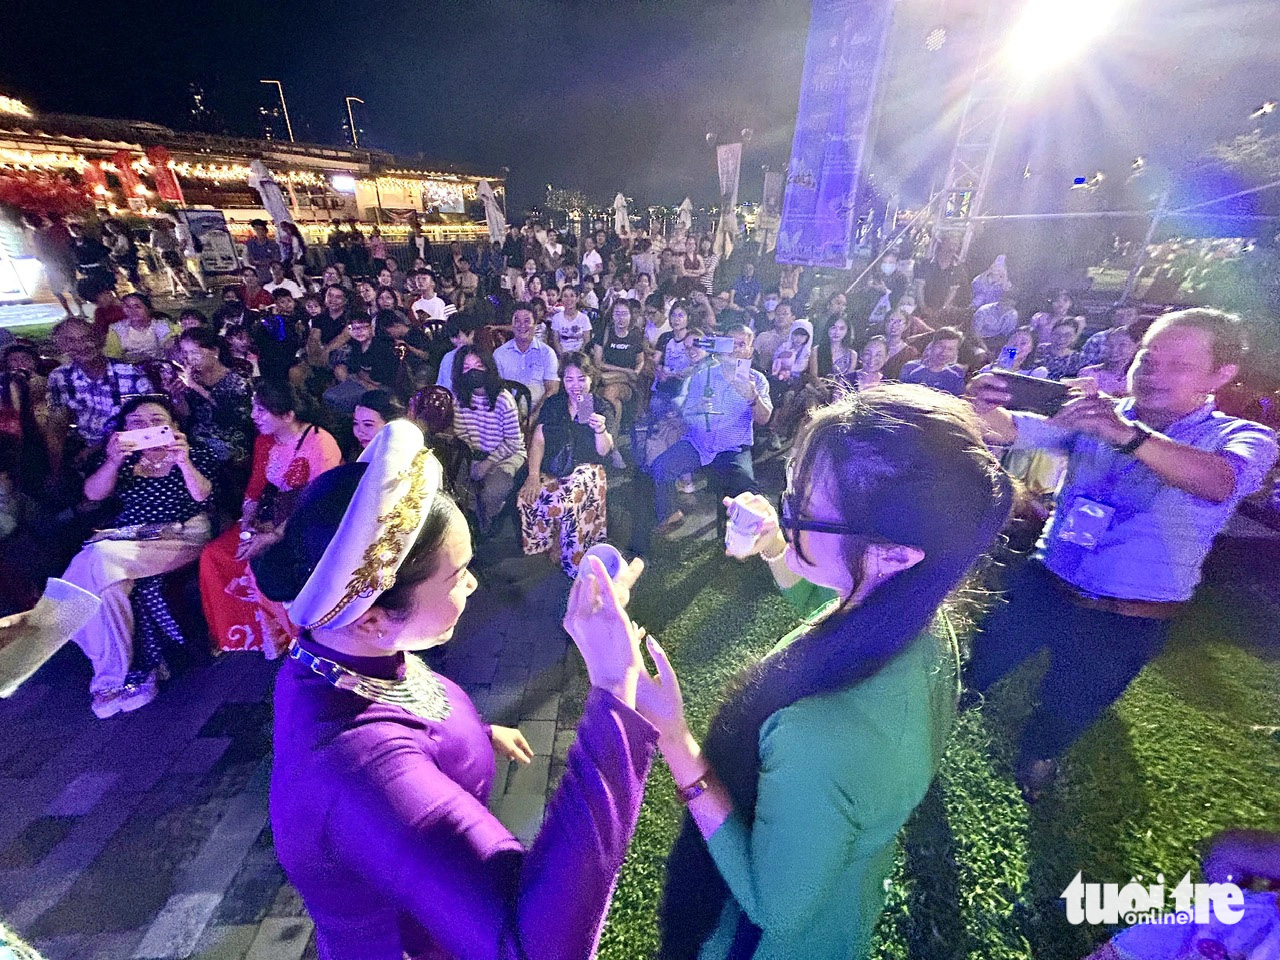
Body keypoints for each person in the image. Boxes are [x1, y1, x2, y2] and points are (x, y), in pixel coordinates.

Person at [618, 385, 1014, 960]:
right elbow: (832, 613)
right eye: (791, 491)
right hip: (845, 908)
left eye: (803, 508)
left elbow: (773, 907)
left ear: (896, 553)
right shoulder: (919, 624)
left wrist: (676, 742)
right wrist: (782, 547)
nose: (785, 512)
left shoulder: (819, 737)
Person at [248, 418, 658, 959]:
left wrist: (472, 735)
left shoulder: (332, 657)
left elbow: (401, 714)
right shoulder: (359, 772)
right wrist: (612, 686)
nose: (474, 584)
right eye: (458, 574)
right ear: (372, 619)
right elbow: (530, 945)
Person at [966, 308, 1279, 800]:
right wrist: (981, 409)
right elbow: (1013, 428)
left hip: (1128, 615)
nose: (1153, 371)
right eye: (1150, 358)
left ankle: (1038, 760)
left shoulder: (1240, 436)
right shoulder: (1099, 414)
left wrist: (1129, 437)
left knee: (1071, 703)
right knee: (977, 665)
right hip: (1045, 581)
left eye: (1179, 364)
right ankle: (925, 735)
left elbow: (1221, 481)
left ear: (1221, 376)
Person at [0, 396, 215, 716]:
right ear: (123, 430)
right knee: (109, 588)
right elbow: (92, 494)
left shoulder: (194, 453)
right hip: (126, 542)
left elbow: (201, 495)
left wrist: (183, 461)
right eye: (136, 423)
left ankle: (32, 639)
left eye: (157, 419)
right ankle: (112, 681)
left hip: (180, 537)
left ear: (174, 425)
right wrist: (113, 461)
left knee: (97, 558)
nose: (147, 428)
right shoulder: (124, 460)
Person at [199, 380, 341, 659]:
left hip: (309, 520)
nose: (253, 416)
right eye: (254, 408)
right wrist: (248, 523)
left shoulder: (319, 441)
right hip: (271, 515)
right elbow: (255, 487)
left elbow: (317, 500)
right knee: (214, 555)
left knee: (259, 561)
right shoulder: (265, 440)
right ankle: (237, 635)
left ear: (287, 415)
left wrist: (275, 535)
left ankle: (297, 637)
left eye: (262, 410)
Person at [649, 324, 772, 537]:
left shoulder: (756, 380)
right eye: (730, 343)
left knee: (745, 490)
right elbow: (687, 412)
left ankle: (742, 535)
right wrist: (698, 409)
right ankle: (670, 514)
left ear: (750, 350)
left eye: (742, 344)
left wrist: (752, 397)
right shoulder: (703, 376)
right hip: (699, 443)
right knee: (661, 467)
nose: (735, 349)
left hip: (732, 446)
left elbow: (764, 418)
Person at [517, 352, 616, 577]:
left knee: (568, 499)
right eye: (569, 380)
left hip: (589, 468)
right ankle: (544, 543)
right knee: (527, 495)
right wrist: (533, 474)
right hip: (557, 464)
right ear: (563, 381)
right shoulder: (555, 403)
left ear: (591, 378)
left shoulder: (600, 406)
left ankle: (569, 551)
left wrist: (600, 429)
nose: (576, 386)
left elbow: (604, 450)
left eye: (582, 379)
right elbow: (539, 439)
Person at [46, 317, 154, 462]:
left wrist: (97, 448)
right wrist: (55, 473)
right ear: (62, 347)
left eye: (87, 338)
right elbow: (56, 425)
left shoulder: (130, 374)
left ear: (100, 340)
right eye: (71, 341)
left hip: (129, 447)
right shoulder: (59, 377)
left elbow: (150, 422)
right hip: (82, 446)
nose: (81, 346)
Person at [451, 346, 527, 533]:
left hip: (508, 454)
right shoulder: (460, 398)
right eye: (467, 367)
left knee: (491, 492)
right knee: (458, 487)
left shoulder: (503, 400)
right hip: (476, 453)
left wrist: (487, 463)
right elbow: (462, 435)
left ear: (488, 368)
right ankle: (474, 524)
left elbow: (513, 442)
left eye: (478, 365)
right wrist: (475, 461)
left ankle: (490, 522)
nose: (473, 371)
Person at [173, 327, 254, 472]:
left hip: (229, 438)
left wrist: (197, 388)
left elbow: (232, 418)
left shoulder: (237, 379)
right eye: (186, 353)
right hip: (196, 436)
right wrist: (177, 396)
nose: (190, 359)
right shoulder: (193, 378)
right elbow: (186, 415)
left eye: (195, 352)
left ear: (215, 351)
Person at [494, 302, 559, 414]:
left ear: (535, 324)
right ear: (512, 325)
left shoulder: (547, 353)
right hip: (507, 413)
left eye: (527, 321)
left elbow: (552, 390)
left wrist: (533, 418)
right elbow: (495, 389)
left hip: (540, 414)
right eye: (517, 321)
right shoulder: (499, 354)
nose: (522, 325)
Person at [592, 300, 646, 422]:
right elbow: (598, 363)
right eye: (617, 314)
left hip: (627, 382)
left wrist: (635, 372)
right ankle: (583, 430)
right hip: (605, 377)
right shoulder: (604, 332)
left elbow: (640, 360)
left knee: (610, 393)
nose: (621, 318)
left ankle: (609, 436)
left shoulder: (636, 335)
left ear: (630, 316)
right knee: (583, 392)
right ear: (612, 315)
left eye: (624, 314)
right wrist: (625, 370)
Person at [25, 213, 83, 317]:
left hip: (53, 265)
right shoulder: (52, 231)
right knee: (72, 288)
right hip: (65, 263)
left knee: (57, 290)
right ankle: (80, 311)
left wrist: (42, 259)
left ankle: (70, 312)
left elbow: (42, 251)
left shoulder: (39, 235)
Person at [105, 293, 178, 363]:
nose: (132, 311)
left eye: (137, 307)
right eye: (127, 307)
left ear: (148, 309)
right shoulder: (117, 329)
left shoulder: (161, 325)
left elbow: (169, 342)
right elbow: (112, 356)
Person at [900, 327, 966, 396]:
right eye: (941, 347)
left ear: (955, 352)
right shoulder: (910, 367)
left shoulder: (956, 375)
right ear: (932, 345)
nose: (944, 353)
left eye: (950, 349)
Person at [1079, 325, 1139, 396]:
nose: (1114, 349)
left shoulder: (1139, 377)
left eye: (1122, 345)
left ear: (1137, 346)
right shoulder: (1089, 374)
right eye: (1110, 345)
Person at [914, 237, 962, 319]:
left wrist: (943, 309)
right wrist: (924, 308)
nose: (952, 248)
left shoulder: (957, 268)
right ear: (942, 244)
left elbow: (952, 291)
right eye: (950, 244)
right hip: (922, 311)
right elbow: (919, 288)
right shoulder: (926, 264)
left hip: (941, 313)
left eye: (955, 245)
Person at [435, 316, 477, 395]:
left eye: (458, 337)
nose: (455, 341)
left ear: (471, 334)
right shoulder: (447, 357)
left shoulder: (481, 357)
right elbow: (441, 386)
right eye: (452, 337)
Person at [548, 286, 593, 354]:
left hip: (580, 355)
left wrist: (579, 355)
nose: (568, 299)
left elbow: (586, 341)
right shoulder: (556, 318)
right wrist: (563, 355)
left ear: (577, 298)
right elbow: (556, 341)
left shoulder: (584, 318)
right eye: (565, 296)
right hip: (562, 354)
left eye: (572, 296)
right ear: (561, 298)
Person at [880, 309, 920, 380]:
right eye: (890, 321)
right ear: (885, 323)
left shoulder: (910, 353)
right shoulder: (874, 344)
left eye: (899, 321)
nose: (894, 325)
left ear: (906, 326)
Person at [277, 221, 309, 287]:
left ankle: (302, 287)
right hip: (296, 260)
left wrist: (293, 260)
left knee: (298, 276)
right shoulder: (294, 238)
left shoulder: (293, 238)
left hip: (296, 260)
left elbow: (295, 250)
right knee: (298, 276)